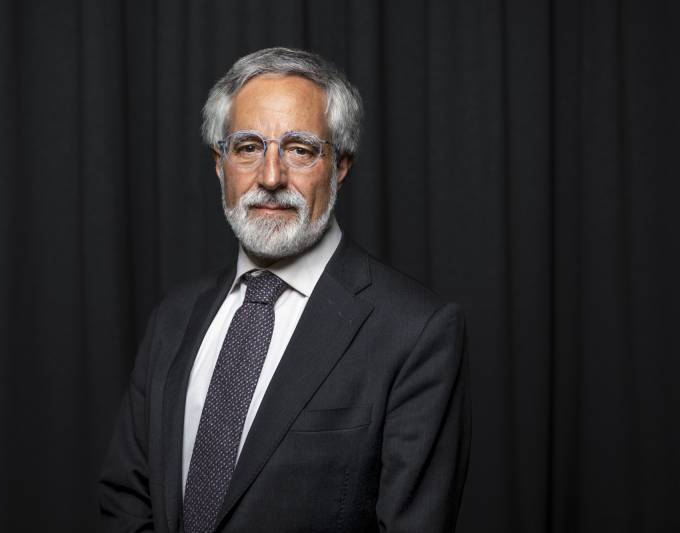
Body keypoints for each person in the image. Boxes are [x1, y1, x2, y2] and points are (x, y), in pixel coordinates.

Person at [99, 47, 470, 533]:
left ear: (340, 167)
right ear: (220, 163)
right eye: (248, 147)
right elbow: (127, 502)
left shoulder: (415, 331)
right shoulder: (174, 316)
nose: (271, 177)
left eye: (300, 149)